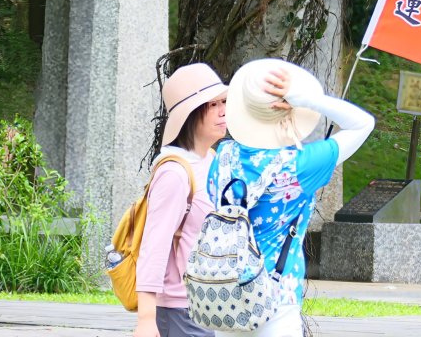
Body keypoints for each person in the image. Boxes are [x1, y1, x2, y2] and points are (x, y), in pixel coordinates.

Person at [208, 58, 375, 337]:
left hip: (226, 294)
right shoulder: (299, 165)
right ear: (288, 112)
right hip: (277, 298)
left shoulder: (223, 157)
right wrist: (310, 100)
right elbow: (362, 123)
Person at [135, 63, 228, 337]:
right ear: (190, 113)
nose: (223, 111)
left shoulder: (212, 160)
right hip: (179, 310)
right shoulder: (174, 172)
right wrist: (146, 319)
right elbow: (153, 246)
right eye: (212, 104)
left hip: (212, 303)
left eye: (224, 102)